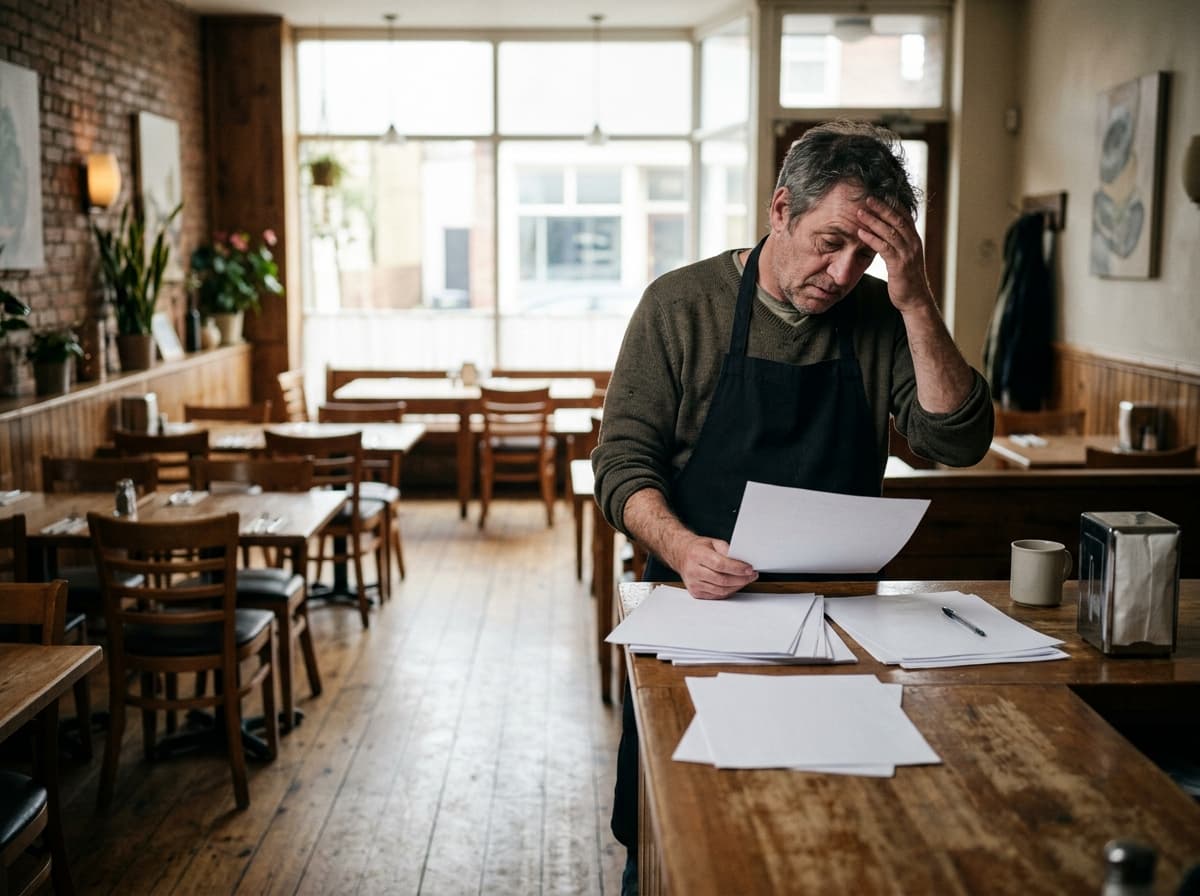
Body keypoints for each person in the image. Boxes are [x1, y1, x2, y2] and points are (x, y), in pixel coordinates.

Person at [591, 119, 994, 894]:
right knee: (675, 829)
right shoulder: (680, 306)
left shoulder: (881, 316)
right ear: (780, 209)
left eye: (865, 255)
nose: (842, 274)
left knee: (835, 835)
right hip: (697, 613)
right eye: (829, 242)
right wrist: (680, 548)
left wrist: (914, 300)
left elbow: (955, 440)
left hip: (841, 627)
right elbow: (621, 461)